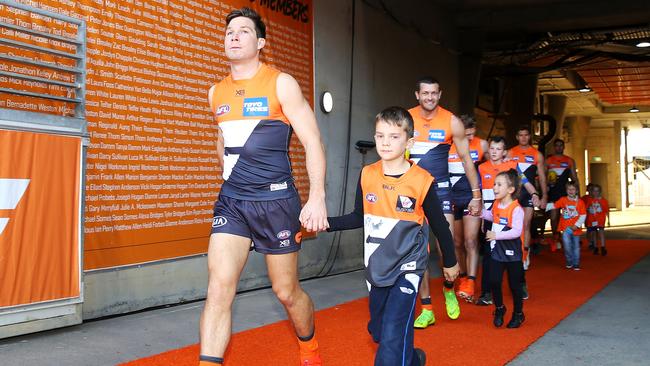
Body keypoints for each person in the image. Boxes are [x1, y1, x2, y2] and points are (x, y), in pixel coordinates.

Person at [199, 8, 328, 366]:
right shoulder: (215, 93)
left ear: (260, 43)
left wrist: (317, 197)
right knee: (218, 290)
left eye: (243, 31)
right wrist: (230, 177)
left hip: (276, 203)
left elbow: (313, 141)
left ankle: (309, 348)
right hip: (233, 203)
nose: (234, 36)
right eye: (229, 32)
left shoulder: (280, 83)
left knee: (286, 291)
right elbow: (222, 140)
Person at [327, 106, 459, 366]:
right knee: (380, 331)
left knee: (391, 335)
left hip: (408, 267)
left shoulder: (422, 180)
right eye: (380, 136)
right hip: (377, 267)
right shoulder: (367, 174)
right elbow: (357, 217)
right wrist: (323, 223)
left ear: (409, 141)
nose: (385, 142)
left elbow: (440, 225)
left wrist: (450, 261)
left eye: (394, 136)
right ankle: (413, 360)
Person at [408, 77, 482, 328]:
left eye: (434, 93)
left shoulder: (452, 122)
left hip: (440, 192)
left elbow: (466, 159)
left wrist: (476, 195)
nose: (429, 97)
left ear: (440, 95)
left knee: (446, 248)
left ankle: (449, 289)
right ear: (417, 95)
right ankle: (426, 307)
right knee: (419, 252)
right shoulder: (405, 119)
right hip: (412, 193)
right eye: (425, 93)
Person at [476, 136, 538, 306]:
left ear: (504, 152)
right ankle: (487, 293)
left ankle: (521, 284)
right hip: (491, 215)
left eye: (498, 149)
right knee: (489, 255)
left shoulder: (511, 165)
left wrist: (534, 194)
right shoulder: (481, 168)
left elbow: (524, 181)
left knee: (513, 253)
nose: (494, 152)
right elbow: (480, 192)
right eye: (492, 148)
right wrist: (482, 215)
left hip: (509, 214)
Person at [448, 115, 488, 302]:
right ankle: (463, 278)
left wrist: (486, 199)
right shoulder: (448, 144)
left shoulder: (483, 145)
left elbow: (491, 168)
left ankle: (471, 282)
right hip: (451, 196)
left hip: (471, 196)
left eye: (473, 134)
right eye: (467, 135)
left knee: (470, 241)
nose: (470, 139)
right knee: (456, 242)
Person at [481, 169, 526, 328]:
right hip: (497, 251)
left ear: (510, 189)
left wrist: (496, 236)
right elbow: (493, 217)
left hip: (513, 253)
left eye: (499, 185)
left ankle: (518, 314)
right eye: (494, 184)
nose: (494, 187)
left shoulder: (517, 209)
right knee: (494, 281)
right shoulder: (496, 204)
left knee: (515, 286)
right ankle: (500, 308)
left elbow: (516, 231)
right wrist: (479, 213)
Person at [507, 126, 546, 299]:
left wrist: (543, 195)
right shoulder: (510, 152)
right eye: (520, 135)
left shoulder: (537, 154)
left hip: (529, 193)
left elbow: (542, 177)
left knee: (525, 224)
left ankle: (525, 252)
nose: (523, 138)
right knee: (512, 225)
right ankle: (515, 251)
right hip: (515, 192)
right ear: (517, 136)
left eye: (526, 135)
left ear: (530, 137)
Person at [545, 139, 578, 251]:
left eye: (561, 145)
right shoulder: (548, 161)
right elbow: (542, 177)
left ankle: (567, 238)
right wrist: (545, 188)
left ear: (563, 147)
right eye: (557, 145)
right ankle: (556, 237)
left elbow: (574, 178)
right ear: (554, 147)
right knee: (554, 217)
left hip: (565, 192)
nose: (559, 147)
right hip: (552, 192)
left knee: (567, 216)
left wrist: (578, 193)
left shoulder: (569, 160)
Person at [549, 182, 586, 270]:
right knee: (567, 246)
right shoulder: (563, 200)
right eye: (569, 189)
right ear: (566, 191)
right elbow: (554, 205)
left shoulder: (580, 202)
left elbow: (583, 215)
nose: (571, 191)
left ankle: (576, 263)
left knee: (576, 247)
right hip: (565, 228)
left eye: (573, 189)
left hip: (575, 229)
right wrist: (542, 205)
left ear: (576, 191)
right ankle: (569, 261)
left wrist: (577, 225)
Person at [584, 184, 609, 256]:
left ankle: (603, 247)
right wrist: (589, 210)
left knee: (601, 233)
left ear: (600, 192)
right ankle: (595, 247)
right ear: (592, 192)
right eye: (594, 191)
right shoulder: (590, 200)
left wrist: (608, 220)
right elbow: (586, 208)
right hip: (592, 220)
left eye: (597, 191)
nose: (595, 193)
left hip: (600, 219)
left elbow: (606, 210)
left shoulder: (603, 200)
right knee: (594, 233)